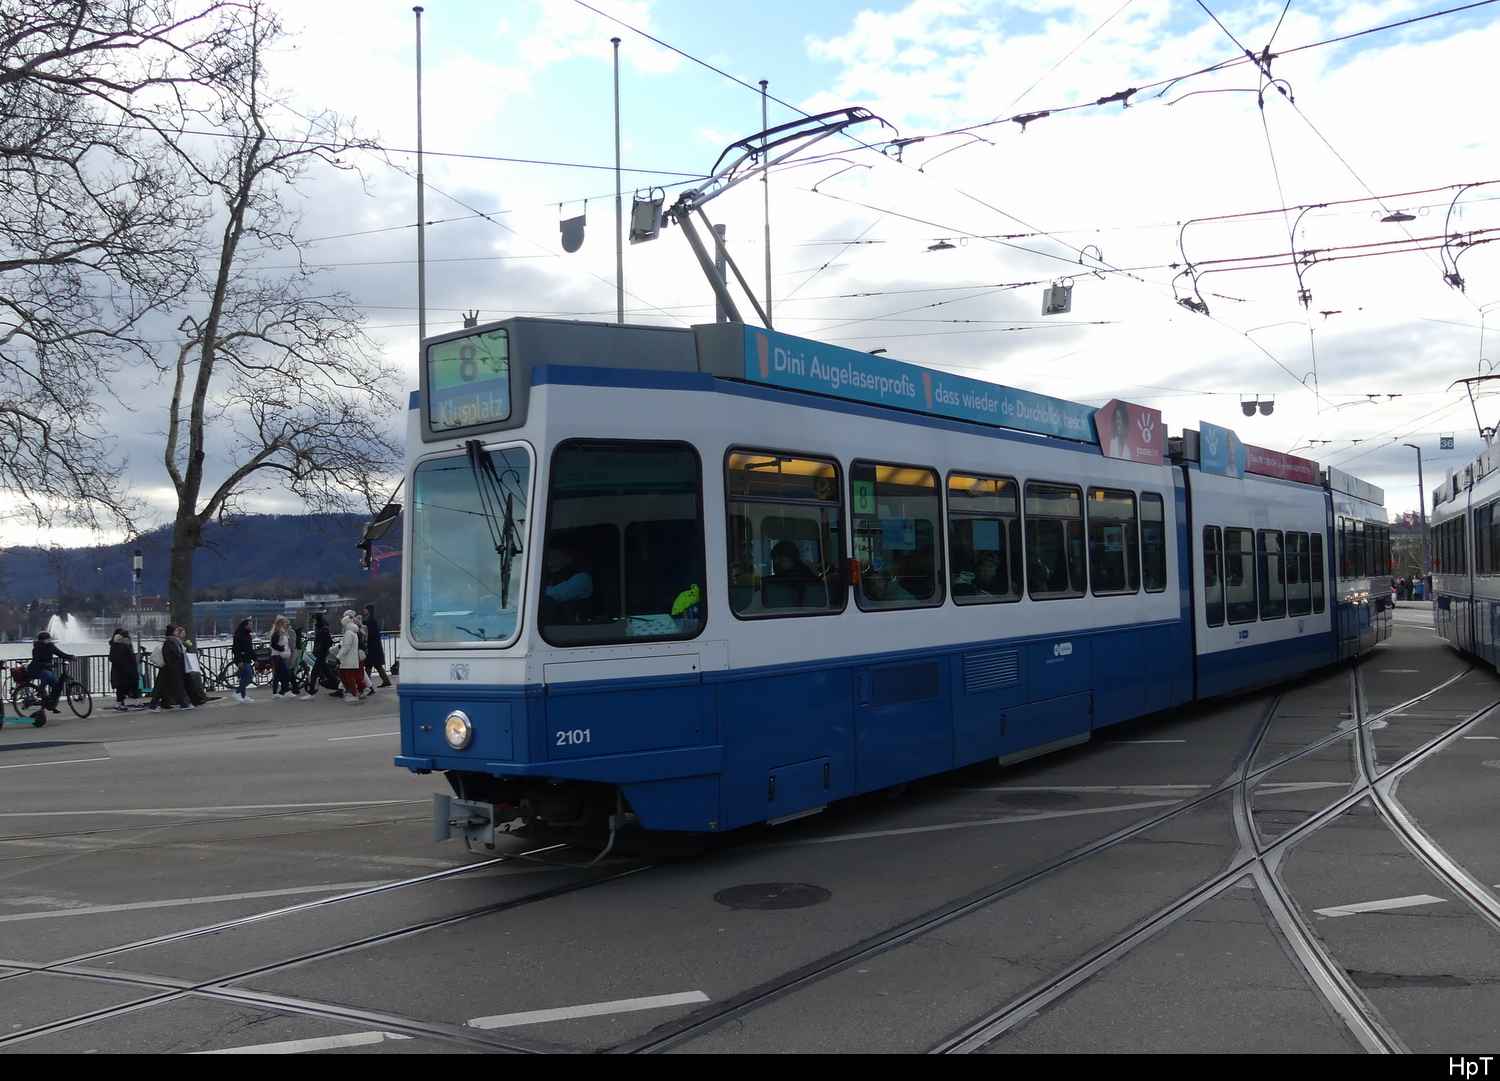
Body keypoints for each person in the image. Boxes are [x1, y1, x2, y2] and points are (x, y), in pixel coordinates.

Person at [28, 631, 74, 714]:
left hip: (47, 669)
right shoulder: (37, 648)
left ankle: (51, 704)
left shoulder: (51, 646)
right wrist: (46, 664)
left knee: (56, 686)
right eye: (46, 639)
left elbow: (60, 654)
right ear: (41, 640)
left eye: (49, 638)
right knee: (48, 675)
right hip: (36, 669)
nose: (48, 640)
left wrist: (70, 656)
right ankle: (41, 690)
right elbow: (35, 662)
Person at [147, 625, 188, 713]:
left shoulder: (175, 642)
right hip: (170, 669)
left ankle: (182, 703)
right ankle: (183, 704)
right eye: (176, 631)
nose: (177, 632)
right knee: (168, 687)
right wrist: (171, 665)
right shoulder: (169, 642)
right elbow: (167, 655)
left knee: (169, 687)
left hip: (173, 668)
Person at [337, 611, 370, 704]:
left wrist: (338, 656)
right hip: (351, 657)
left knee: (348, 675)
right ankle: (353, 691)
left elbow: (346, 647)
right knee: (346, 674)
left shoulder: (348, 633)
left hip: (349, 658)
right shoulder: (353, 632)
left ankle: (353, 693)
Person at [108, 628, 144, 712]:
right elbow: (124, 660)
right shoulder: (123, 646)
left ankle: (124, 703)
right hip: (126, 672)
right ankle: (128, 703)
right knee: (127, 686)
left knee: (125, 687)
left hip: (124, 671)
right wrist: (129, 670)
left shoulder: (118, 646)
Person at [302, 613, 333, 700]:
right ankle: (339, 686)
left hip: (321, 654)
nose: (313, 621)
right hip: (320, 653)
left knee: (314, 673)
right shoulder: (320, 628)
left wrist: (322, 649)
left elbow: (329, 642)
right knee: (326, 672)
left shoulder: (323, 629)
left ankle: (311, 693)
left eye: (314, 619)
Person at [363, 603, 392, 688]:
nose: (364, 610)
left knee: (369, 665)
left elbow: (370, 633)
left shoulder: (371, 621)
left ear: (369, 610)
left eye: (365, 609)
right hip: (374, 646)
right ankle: (385, 680)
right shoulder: (371, 620)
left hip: (372, 646)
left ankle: (367, 684)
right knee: (377, 665)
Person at [269, 616, 295, 699]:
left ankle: (275, 693)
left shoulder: (281, 632)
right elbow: (273, 644)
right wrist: (282, 648)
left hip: (279, 656)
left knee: (278, 674)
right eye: (285, 622)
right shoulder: (277, 633)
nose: (286, 624)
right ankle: (286, 690)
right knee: (287, 672)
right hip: (277, 656)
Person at [231, 617, 256, 704]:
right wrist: (239, 660)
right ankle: (238, 692)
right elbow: (236, 648)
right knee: (249, 676)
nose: (252, 626)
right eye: (250, 625)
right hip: (242, 659)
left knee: (244, 677)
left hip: (247, 658)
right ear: (245, 626)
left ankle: (243, 695)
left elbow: (250, 649)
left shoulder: (248, 636)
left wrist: (255, 659)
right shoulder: (238, 635)